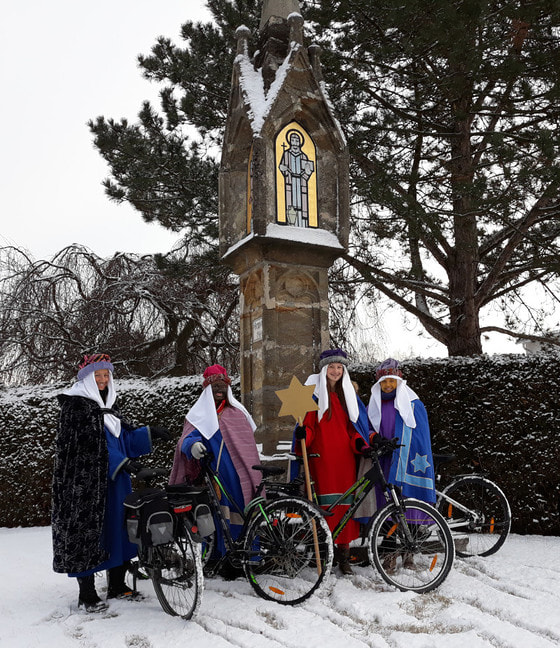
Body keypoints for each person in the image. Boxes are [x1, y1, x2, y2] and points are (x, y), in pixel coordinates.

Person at [51, 354, 171, 612]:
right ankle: (88, 594)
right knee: (89, 535)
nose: (104, 380)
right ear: (87, 378)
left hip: (115, 485)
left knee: (120, 530)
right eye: (98, 375)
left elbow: (122, 438)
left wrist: (149, 433)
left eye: (106, 375)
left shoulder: (109, 406)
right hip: (86, 489)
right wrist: (123, 463)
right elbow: (88, 449)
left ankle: (117, 585)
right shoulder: (76, 407)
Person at [169, 364, 261, 566]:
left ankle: (247, 556)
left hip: (242, 476)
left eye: (222, 386)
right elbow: (186, 439)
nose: (219, 390)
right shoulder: (199, 414)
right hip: (217, 476)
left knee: (243, 514)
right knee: (217, 516)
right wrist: (193, 445)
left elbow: (247, 446)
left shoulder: (238, 413)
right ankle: (219, 557)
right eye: (215, 386)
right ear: (207, 389)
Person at [294, 349, 370, 575]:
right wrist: (303, 436)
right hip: (322, 460)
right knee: (326, 509)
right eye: (331, 367)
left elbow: (355, 428)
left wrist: (361, 443)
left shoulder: (349, 397)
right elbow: (308, 427)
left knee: (346, 509)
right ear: (323, 369)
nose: (335, 371)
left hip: (346, 461)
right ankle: (325, 554)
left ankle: (344, 557)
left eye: (340, 367)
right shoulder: (313, 395)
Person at [366, 358, 436, 570]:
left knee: (408, 507)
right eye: (384, 382)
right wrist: (375, 439)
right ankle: (389, 553)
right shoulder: (374, 404)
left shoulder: (413, 403)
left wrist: (402, 447)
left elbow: (420, 436)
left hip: (407, 463)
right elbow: (366, 427)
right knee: (387, 508)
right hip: (385, 462)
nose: (388, 386)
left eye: (392, 381)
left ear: (399, 381)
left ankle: (408, 553)